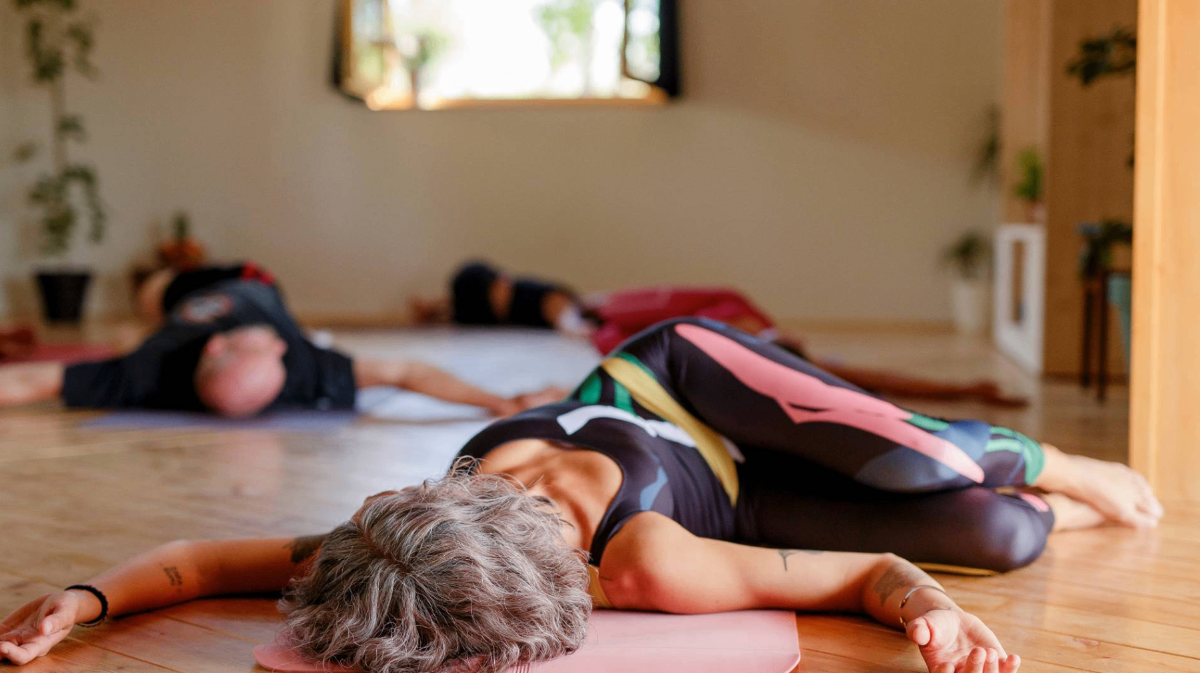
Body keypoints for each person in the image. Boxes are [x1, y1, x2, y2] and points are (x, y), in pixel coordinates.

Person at [0, 318, 1160, 673]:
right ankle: (1020, 494)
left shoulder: (646, 558)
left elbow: (865, 577)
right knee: (1002, 543)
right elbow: (201, 562)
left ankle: (1062, 457)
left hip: (678, 377)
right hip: (747, 494)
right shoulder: (386, 544)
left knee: (938, 470)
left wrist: (912, 607)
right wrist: (83, 601)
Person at [411, 260, 1027, 406]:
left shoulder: (522, 293)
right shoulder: (505, 291)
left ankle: (962, 389)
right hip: (720, 330)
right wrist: (432, 311)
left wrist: (573, 325)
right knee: (828, 369)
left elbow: (553, 305)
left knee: (825, 372)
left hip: (710, 333)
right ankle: (963, 387)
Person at [0, 263, 560, 418]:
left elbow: (407, 369)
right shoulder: (157, 365)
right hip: (206, 291)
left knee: (157, 293)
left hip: (243, 280)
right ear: (212, 350)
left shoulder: (303, 364)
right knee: (155, 291)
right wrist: (502, 403)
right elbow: (402, 371)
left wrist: (501, 403)